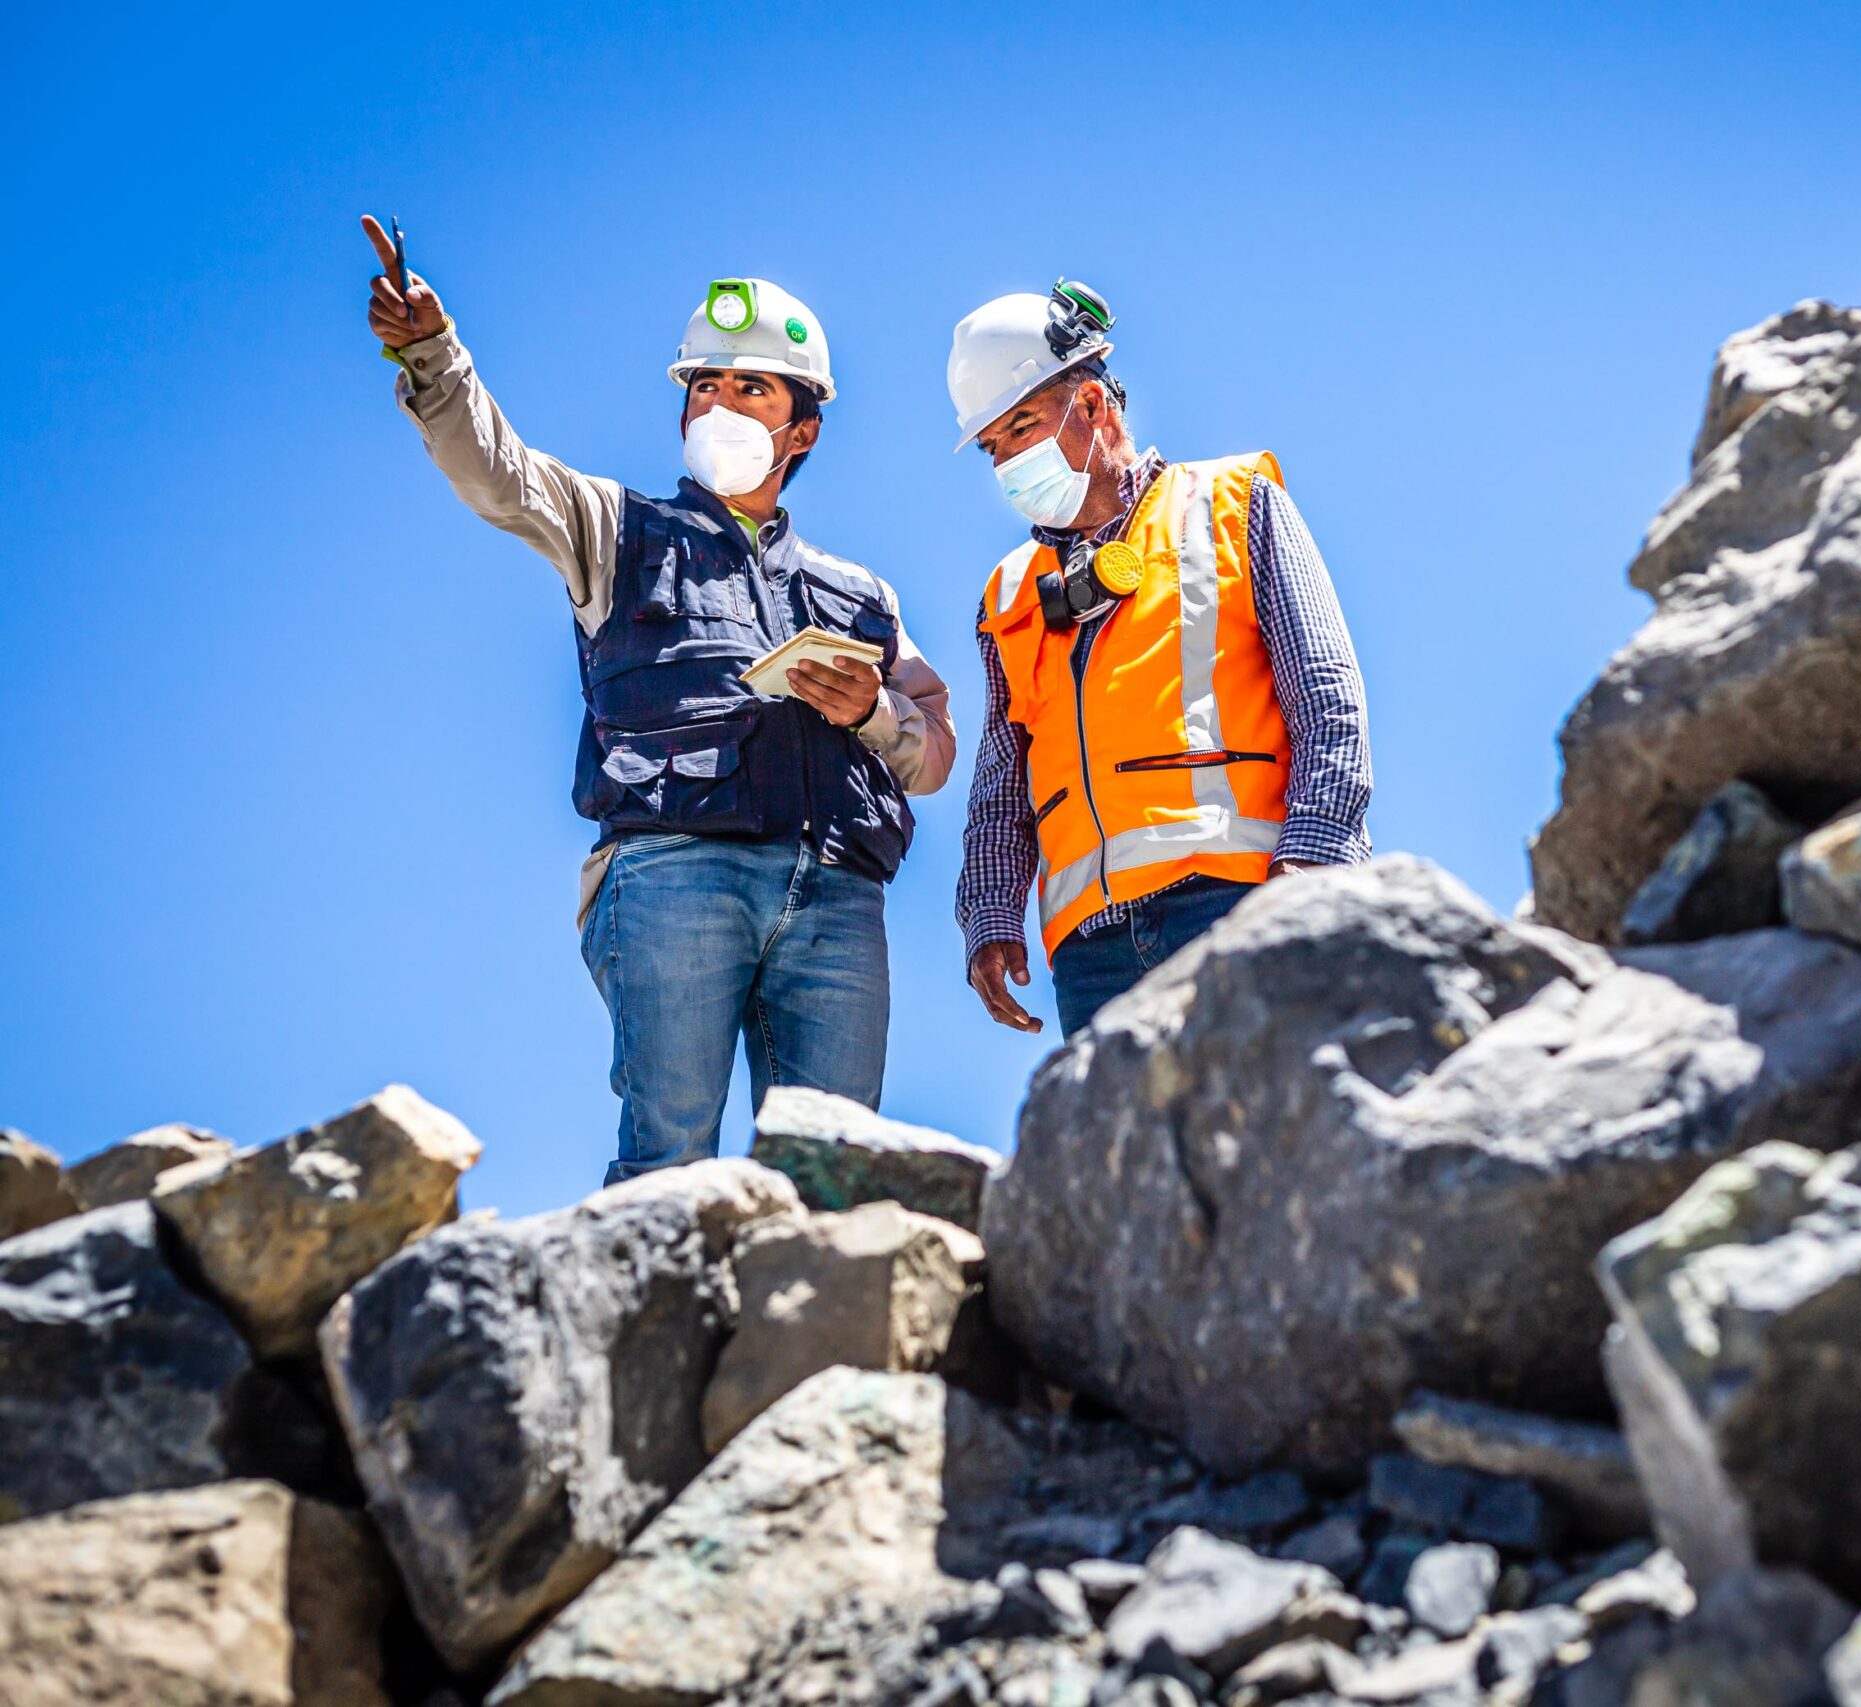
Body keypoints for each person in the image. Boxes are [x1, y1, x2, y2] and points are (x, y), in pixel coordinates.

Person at [361, 218, 955, 1181]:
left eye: (749, 386)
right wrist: (434, 354)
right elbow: (498, 473)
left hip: (838, 899)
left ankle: (813, 1337)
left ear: (802, 427)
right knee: (670, 1168)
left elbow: (932, 757)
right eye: (703, 385)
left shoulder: (863, 597)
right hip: (675, 876)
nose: (718, 403)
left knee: (835, 1179)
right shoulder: (617, 528)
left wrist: (873, 715)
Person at [950, 282, 1371, 1037]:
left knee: (1268, 1144)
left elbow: (1326, 695)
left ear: (1092, 406)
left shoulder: (1231, 501)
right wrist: (988, 912)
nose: (1009, 460)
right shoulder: (1011, 592)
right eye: (993, 446)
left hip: (1239, 899)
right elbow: (1000, 780)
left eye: (1021, 427)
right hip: (1090, 950)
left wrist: (1315, 858)